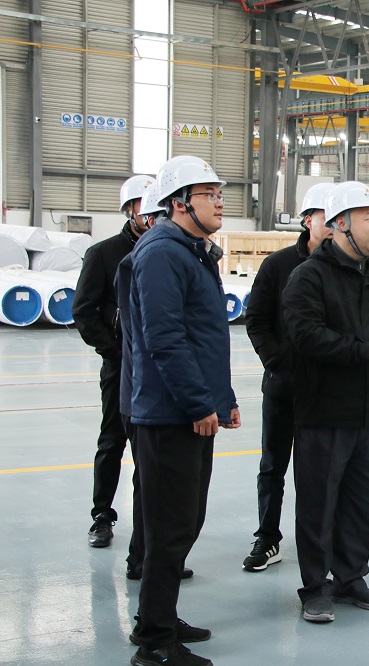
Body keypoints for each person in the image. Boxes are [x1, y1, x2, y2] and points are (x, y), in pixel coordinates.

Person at [128, 156, 240, 666]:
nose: (219, 201)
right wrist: (198, 403)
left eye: (219, 193)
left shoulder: (194, 252)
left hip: (192, 411)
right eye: (208, 193)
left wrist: (223, 399)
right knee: (170, 529)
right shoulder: (161, 253)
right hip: (169, 414)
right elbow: (165, 339)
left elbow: (206, 337)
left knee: (185, 522)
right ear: (178, 202)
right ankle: (154, 642)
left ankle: (160, 617)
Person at [282, 181, 369, 623]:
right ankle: (315, 587)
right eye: (368, 218)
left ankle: (351, 577)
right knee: (318, 504)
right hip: (324, 410)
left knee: (361, 501)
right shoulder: (309, 277)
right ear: (339, 224)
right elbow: (305, 336)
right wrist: (364, 352)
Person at [241, 182, 335, 573]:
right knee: (273, 466)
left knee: (321, 472)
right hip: (284, 384)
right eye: (327, 217)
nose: (335, 224)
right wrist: (276, 360)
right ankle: (267, 538)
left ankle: (321, 544)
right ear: (308, 220)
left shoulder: (347, 268)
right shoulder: (278, 265)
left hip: (328, 390)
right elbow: (256, 318)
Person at [115, 183, 195, 584]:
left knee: (160, 494)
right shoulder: (154, 257)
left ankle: (153, 565)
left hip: (155, 392)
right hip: (147, 394)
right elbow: (158, 337)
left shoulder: (179, 255)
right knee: (152, 490)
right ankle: (144, 565)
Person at [73, 174, 156, 549]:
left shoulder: (165, 250)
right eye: (143, 204)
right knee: (112, 441)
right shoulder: (104, 253)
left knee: (149, 449)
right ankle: (102, 516)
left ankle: (147, 526)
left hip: (157, 367)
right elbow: (84, 310)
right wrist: (114, 350)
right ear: (129, 210)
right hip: (120, 365)